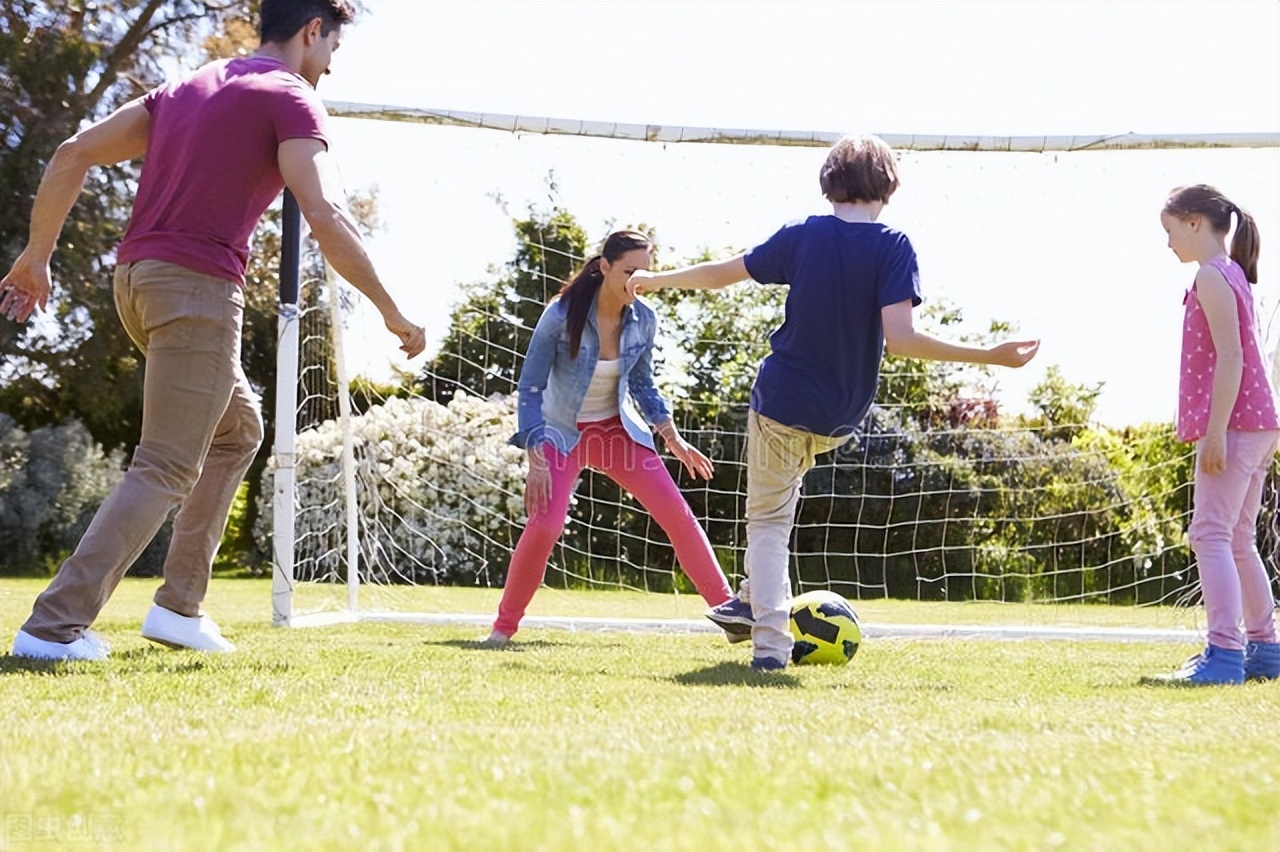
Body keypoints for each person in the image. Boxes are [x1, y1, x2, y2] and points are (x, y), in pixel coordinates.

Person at [1, 0, 426, 660]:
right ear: (313, 31)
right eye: (333, 49)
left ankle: (179, 607)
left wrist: (37, 256)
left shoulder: (189, 84)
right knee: (166, 463)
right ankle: (52, 629)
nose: (331, 66)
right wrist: (391, 310)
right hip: (195, 292)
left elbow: (73, 151)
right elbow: (325, 213)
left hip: (136, 283)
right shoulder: (291, 96)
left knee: (237, 431)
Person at [627, 134, 1040, 671]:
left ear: (829, 182)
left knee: (769, 523)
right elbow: (904, 340)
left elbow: (720, 275)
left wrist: (655, 280)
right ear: (888, 186)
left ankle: (769, 644)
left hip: (782, 402)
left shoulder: (806, 235)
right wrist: (991, 355)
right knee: (782, 502)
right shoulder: (894, 246)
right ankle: (753, 597)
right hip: (840, 416)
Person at [484, 230, 738, 647]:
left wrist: (672, 437)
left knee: (676, 513)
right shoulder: (561, 313)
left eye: (645, 274)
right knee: (546, 524)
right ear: (604, 268)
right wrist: (536, 457)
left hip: (615, 431)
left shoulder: (644, 318)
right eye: (629, 271)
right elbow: (529, 388)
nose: (638, 282)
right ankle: (503, 627)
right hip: (559, 433)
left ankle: (730, 614)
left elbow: (642, 384)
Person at [1142, 185, 1280, 686]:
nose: (1168, 243)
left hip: (1238, 424)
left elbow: (1232, 358)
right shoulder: (1233, 275)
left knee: (1210, 534)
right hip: (1261, 423)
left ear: (1195, 222)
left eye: (1170, 230)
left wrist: (1216, 432)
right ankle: (1264, 650)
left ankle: (1223, 654)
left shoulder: (1211, 277)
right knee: (1239, 537)